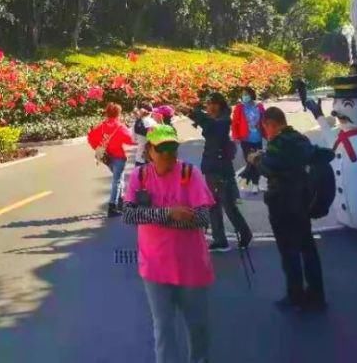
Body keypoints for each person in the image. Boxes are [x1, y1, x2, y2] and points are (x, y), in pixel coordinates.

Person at [123, 124, 215, 363]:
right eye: (162, 150)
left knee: (197, 326)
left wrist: (156, 217)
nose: (169, 156)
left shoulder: (189, 174)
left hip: (191, 266)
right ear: (149, 151)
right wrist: (169, 214)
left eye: (172, 149)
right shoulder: (139, 177)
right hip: (155, 267)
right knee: (163, 327)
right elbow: (130, 215)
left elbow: (203, 219)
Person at [249, 106, 330, 311]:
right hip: (302, 200)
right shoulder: (300, 139)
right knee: (307, 247)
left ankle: (295, 295)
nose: (265, 132)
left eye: (265, 127)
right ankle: (317, 294)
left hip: (282, 203)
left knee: (288, 251)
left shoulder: (278, 144)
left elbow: (268, 168)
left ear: (271, 124)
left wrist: (256, 159)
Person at [187, 92, 252, 252]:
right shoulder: (217, 121)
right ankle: (220, 239)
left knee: (228, 205)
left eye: (210, 104)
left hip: (220, 170)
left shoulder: (222, 122)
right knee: (213, 205)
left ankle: (244, 233)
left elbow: (209, 124)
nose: (208, 107)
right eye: (207, 104)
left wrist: (193, 113)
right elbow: (207, 122)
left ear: (218, 105)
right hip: (213, 168)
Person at [87, 103, 133, 217]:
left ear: (107, 113)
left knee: (119, 177)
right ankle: (112, 206)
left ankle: (121, 200)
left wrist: (99, 148)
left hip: (106, 157)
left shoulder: (101, 126)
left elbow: (91, 139)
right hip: (119, 157)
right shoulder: (120, 127)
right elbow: (130, 140)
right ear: (119, 113)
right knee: (117, 180)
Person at [231, 87, 266, 191]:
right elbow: (234, 123)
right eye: (243, 94)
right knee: (250, 161)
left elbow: (265, 120)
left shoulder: (259, 106)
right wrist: (235, 136)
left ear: (251, 95)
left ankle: (256, 182)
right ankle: (254, 183)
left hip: (257, 138)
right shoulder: (239, 108)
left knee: (258, 161)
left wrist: (268, 134)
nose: (244, 96)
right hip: (245, 139)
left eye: (246, 94)